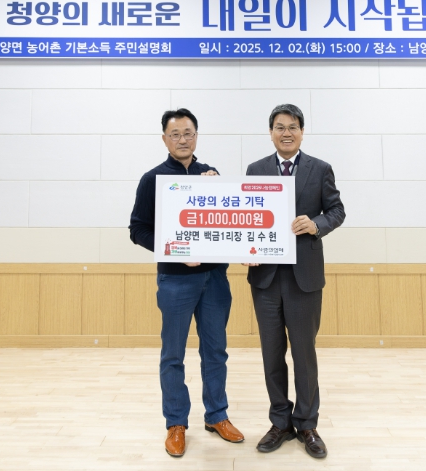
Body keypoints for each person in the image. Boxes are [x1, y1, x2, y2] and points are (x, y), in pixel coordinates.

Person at [129, 108, 244, 458]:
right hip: (175, 280)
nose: (182, 139)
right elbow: (138, 230)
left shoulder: (211, 175)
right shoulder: (153, 179)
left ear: (197, 136)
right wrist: (175, 250)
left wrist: (218, 189)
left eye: (188, 133)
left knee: (216, 351)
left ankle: (217, 415)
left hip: (215, 279)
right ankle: (176, 423)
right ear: (165, 139)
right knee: (173, 354)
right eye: (175, 134)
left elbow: (228, 223)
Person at [245, 104, 345, 459]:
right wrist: (245, 248)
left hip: (304, 277)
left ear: (302, 131)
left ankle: (307, 424)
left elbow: (337, 210)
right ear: (271, 132)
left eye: (292, 127)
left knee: (303, 353)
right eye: (279, 127)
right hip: (266, 277)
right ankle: (280, 422)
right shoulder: (255, 170)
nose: (286, 133)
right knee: (272, 354)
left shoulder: (321, 169)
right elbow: (247, 217)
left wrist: (317, 224)